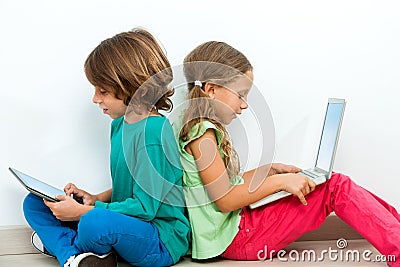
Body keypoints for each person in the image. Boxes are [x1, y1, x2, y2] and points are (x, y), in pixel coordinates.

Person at [173, 41, 400, 266]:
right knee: (335, 186)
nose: (244, 105)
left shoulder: (198, 129)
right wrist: (280, 182)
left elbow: (225, 187)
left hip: (238, 230)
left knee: (335, 184)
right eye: (241, 95)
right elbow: (225, 200)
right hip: (239, 236)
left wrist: (270, 171)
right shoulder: (202, 136)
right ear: (211, 89)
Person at [23, 28, 190, 267]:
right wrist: (94, 199)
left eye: (103, 91)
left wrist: (83, 213)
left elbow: (147, 208)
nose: (95, 99)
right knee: (34, 202)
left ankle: (66, 249)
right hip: (125, 222)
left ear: (135, 88)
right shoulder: (120, 125)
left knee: (94, 223)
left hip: (159, 239)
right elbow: (133, 185)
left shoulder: (153, 132)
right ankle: (79, 255)